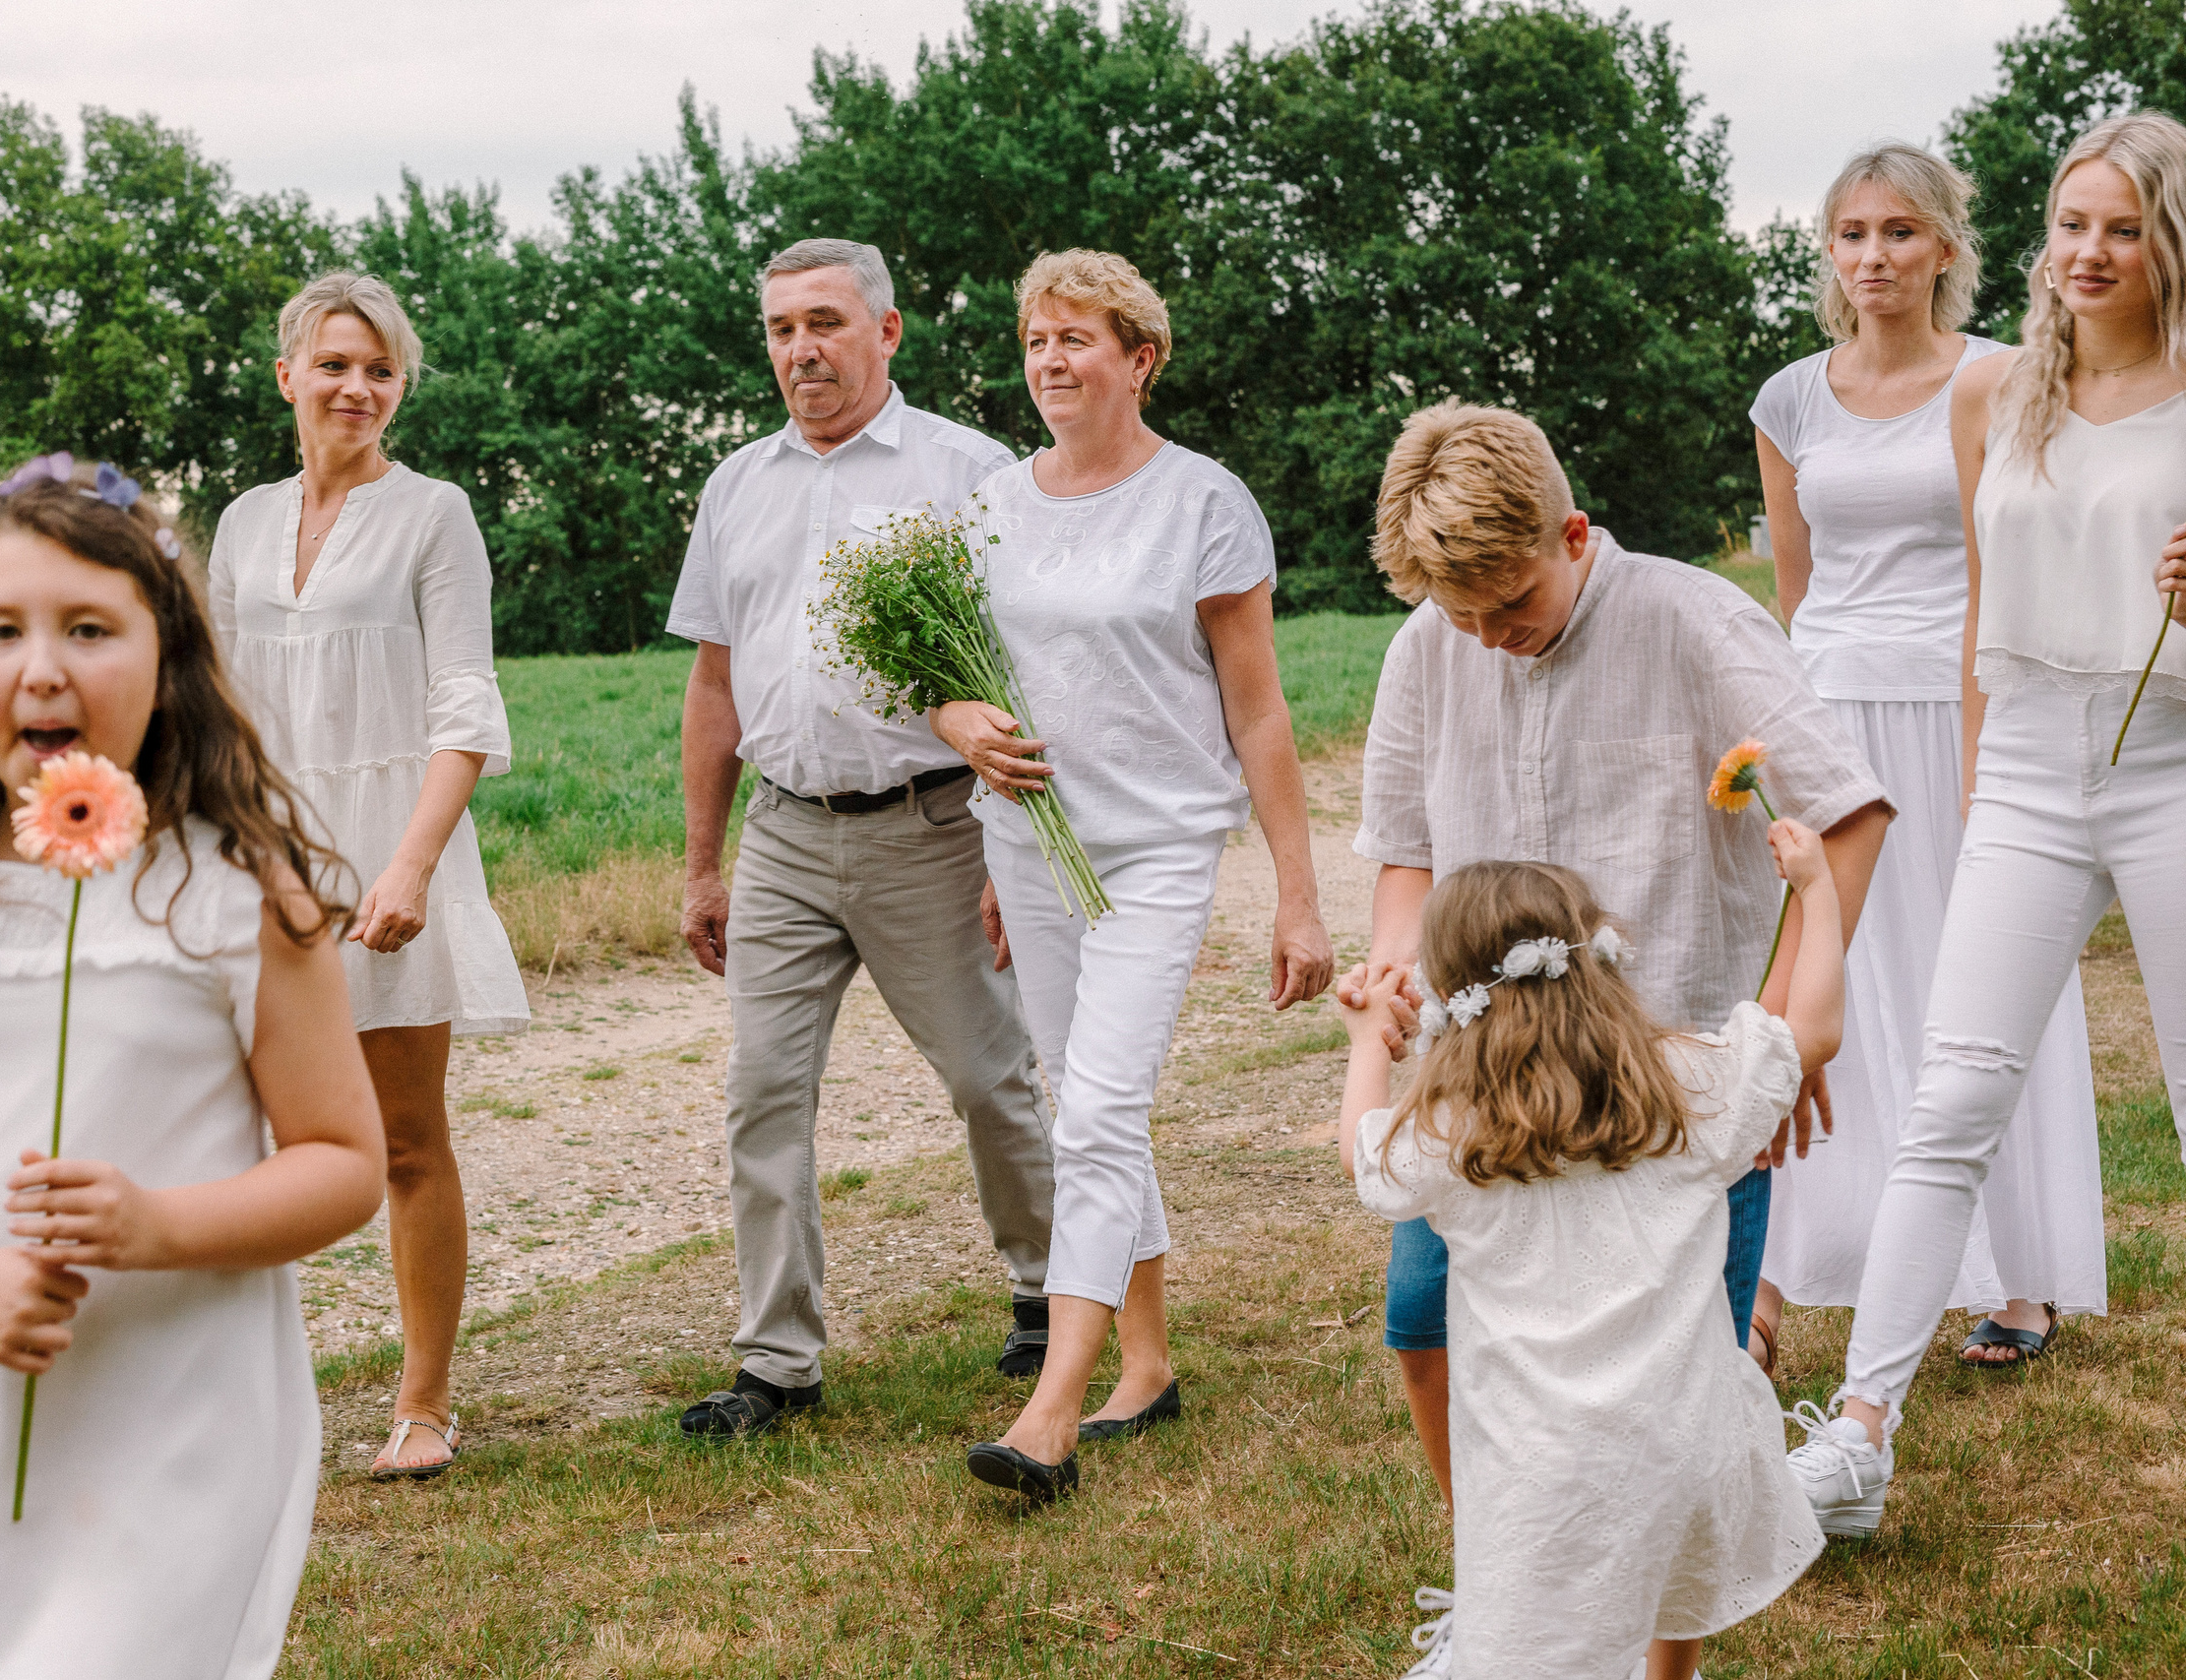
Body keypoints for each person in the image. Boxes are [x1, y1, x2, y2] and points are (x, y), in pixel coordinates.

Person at [0, 456, 386, 1676]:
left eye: (89, 628)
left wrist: (155, 1222)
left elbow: (344, 1163)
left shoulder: (237, 895)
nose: (42, 667)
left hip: (179, 1408)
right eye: (0, 629)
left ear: (166, 661)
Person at [1343, 401, 1890, 1674]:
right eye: (1460, 615)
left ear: (1573, 533)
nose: (1487, 636)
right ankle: (1506, 1595)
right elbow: (1407, 855)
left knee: (1683, 1361)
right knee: (1423, 1322)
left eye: (1509, 605)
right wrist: (1389, 974)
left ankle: (1662, 1657)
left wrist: (1788, 1030)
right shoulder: (1433, 642)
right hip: (1485, 1066)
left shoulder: (1697, 621)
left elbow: (1845, 813)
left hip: (1668, 1066)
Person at [1789, 111, 2186, 1537]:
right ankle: (1855, 1438)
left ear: (2170, 244)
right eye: (2073, 224)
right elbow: (1972, 603)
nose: (2089, 252)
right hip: (2018, 763)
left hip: (2166, 764)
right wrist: (1959, 782)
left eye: (2123, 228)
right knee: (1951, 1096)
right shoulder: (2001, 393)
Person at [929, 249, 1335, 1500]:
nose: (1050, 362)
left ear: (1138, 358)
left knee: (1098, 1113)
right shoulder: (994, 499)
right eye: (1036, 340)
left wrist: (1297, 890)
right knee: (1084, 1108)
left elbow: (1257, 712)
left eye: (1076, 340)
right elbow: (962, 673)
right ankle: (1146, 1367)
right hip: (1027, 845)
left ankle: (1050, 1406)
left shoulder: (1204, 502)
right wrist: (958, 728)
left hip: (1157, 850)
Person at [664, 238, 1057, 1438]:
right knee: (762, 1094)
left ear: (886, 333)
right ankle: (776, 1363)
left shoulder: (971, 473)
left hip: (934, 826)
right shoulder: (736, 485)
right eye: (781, 329)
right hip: (784, 833)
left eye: (824, 324)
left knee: (988, 1079)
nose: (800, 351)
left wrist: (1012, 846)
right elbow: (715, 687)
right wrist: (701, 863)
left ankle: (1051, 1290)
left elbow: (1026, 674)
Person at [1751, 143, 2102, 1376]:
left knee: (1978, 985)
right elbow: (1794, 596)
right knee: (1813, 976)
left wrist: (1981, 747)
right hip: (1830, 716)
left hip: (1961, 706)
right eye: (1851, 235)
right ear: (1828, 255)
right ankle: (1781, 1266)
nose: (1873, 258)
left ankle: (2019, 1276)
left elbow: (2005, 570)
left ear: (1947, 248)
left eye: (1899, 233)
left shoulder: (2001, 380)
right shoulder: (1788, 397)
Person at [1343, 852, 1835, 1680]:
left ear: (1452, 994)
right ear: (1594, 957)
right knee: (1680, 1571)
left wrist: (1366, 1041)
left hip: (1546, 1468)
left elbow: (1364, 1155)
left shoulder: (1454, 1131)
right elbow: (1815, 1029)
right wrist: (1816, 894)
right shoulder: (1681, 1083)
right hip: (1689, 1440)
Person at [211, 272, 527, 1480]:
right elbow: (213, 710)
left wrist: (411, 864)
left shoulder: (435, 513)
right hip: (258, 857)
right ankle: (239, 1405)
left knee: (403, 1139)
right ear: (287, 373)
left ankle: (425, 1402)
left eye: (380, 369)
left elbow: (465, 702)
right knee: (239, 1140)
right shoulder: (241, 522)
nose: (357, 387)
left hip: (392, 854)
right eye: (334, 364)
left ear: (399, 386)